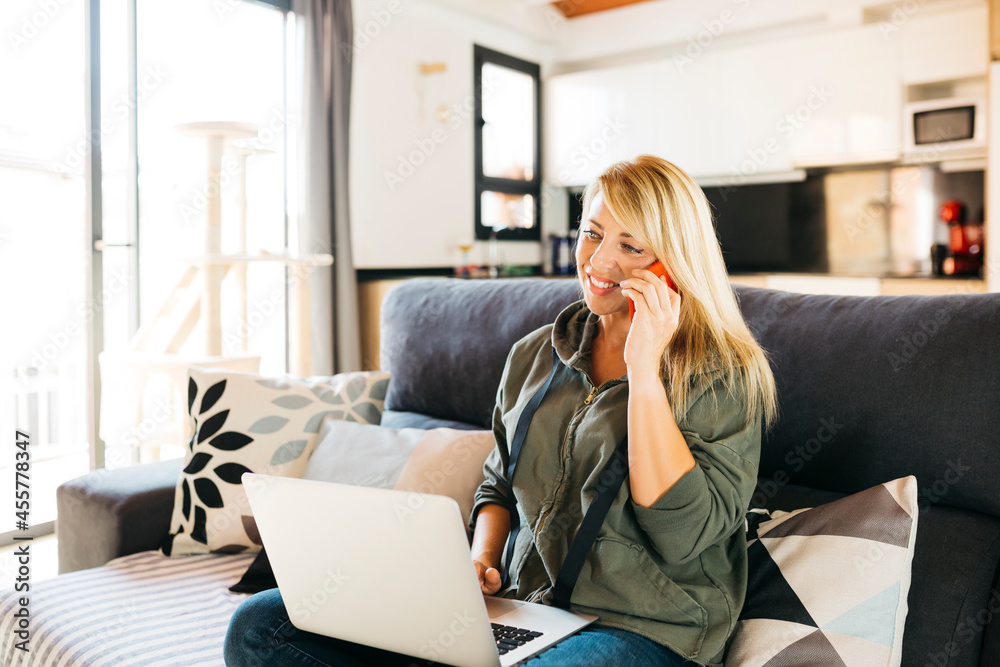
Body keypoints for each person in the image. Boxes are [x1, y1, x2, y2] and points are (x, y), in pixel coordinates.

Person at [224, 155, 777, 667]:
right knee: (262, 624)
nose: (600, 261)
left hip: (643, 629)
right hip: (522, 611)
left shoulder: (724, 373)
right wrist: (478, 563)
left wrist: (645, 369)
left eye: (631, 248)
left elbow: (683, 535)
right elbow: (499, 484)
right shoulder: (535, 354)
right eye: (592, 233)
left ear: (675, 264)